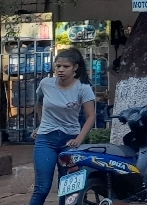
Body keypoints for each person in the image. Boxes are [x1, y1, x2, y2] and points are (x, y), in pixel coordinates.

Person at [30, 48, 96, 205]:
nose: (60, 70)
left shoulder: (83, 88)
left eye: (66, 66)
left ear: (75, 68)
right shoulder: (46, 83)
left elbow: (91, 116)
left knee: (68, 189)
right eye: (58, 66)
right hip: (45, 140)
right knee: (42, 188)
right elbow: (38, 103)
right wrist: (41, 125)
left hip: (70, 142)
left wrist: (79, 139)